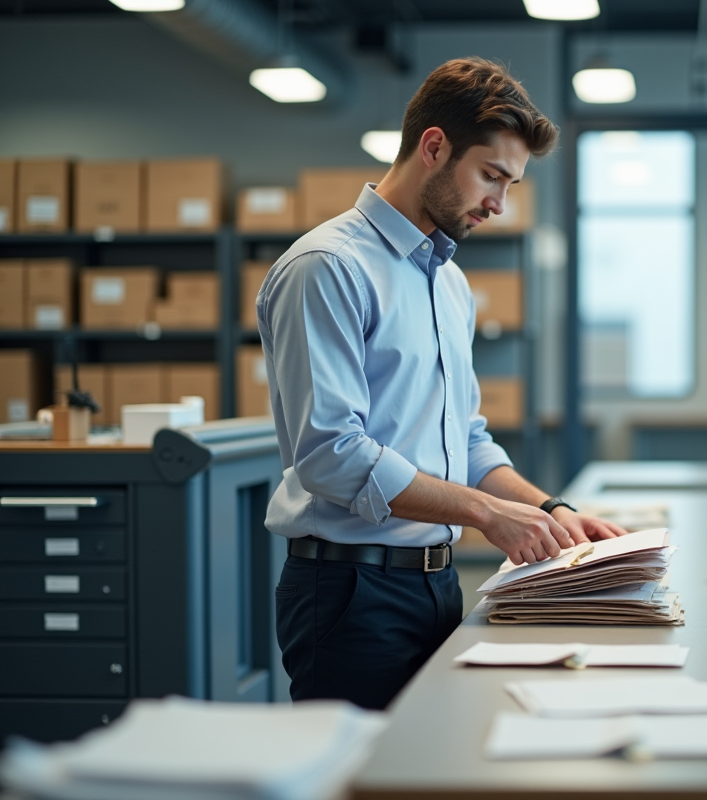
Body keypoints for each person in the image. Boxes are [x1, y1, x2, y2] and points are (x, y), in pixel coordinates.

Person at [258, 57, 628, 710]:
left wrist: (551, 512)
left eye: (510, 183)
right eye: (492, 176)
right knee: (362, 776)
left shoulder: (447, 282)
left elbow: (468, 439)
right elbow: (330, 455)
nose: (499, 203)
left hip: (437, 583)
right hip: (349, 592)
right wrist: (487, 515)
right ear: (434, 146)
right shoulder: (328, 268)